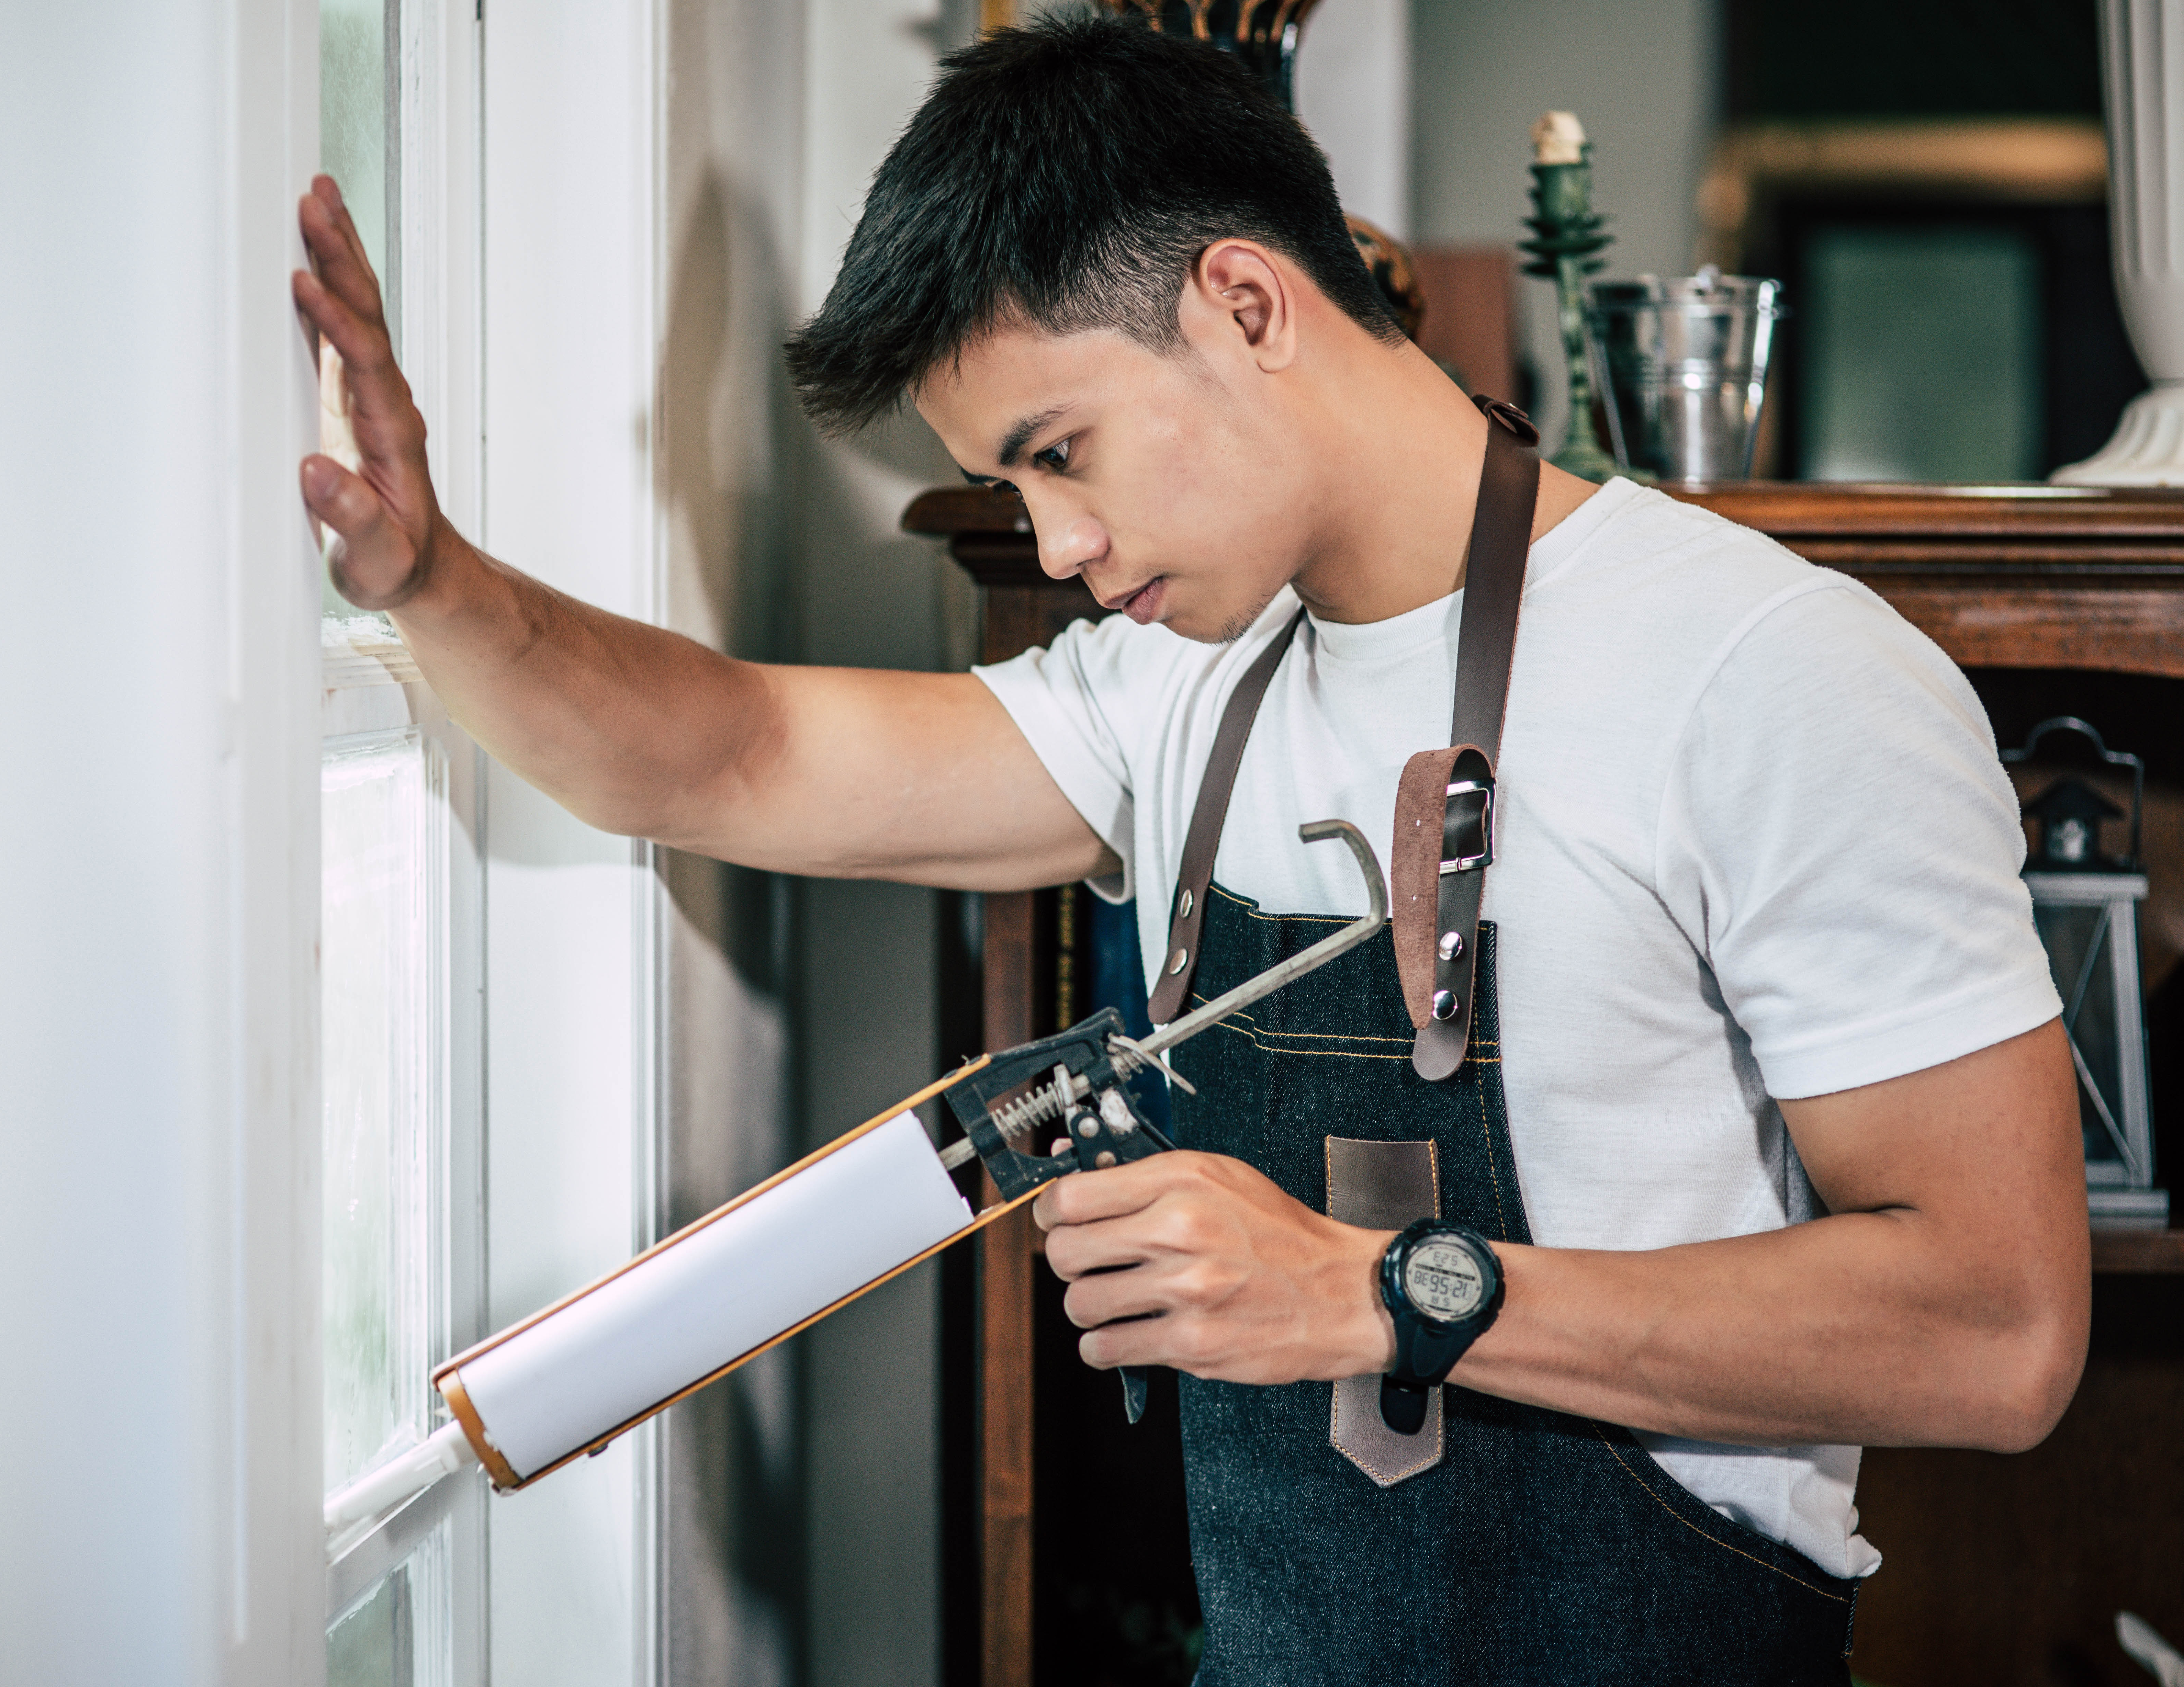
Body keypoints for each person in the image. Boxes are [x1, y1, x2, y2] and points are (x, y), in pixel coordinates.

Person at [292, 16, 2086, 1683]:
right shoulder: (1178, 691)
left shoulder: (1772, 674)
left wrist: (1388, 1294)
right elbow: (732, 758)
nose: (1057, 545)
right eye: (1016, 493)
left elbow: (1997, 1334)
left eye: (1058, 453)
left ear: (1242, 301)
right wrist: (431, 583)